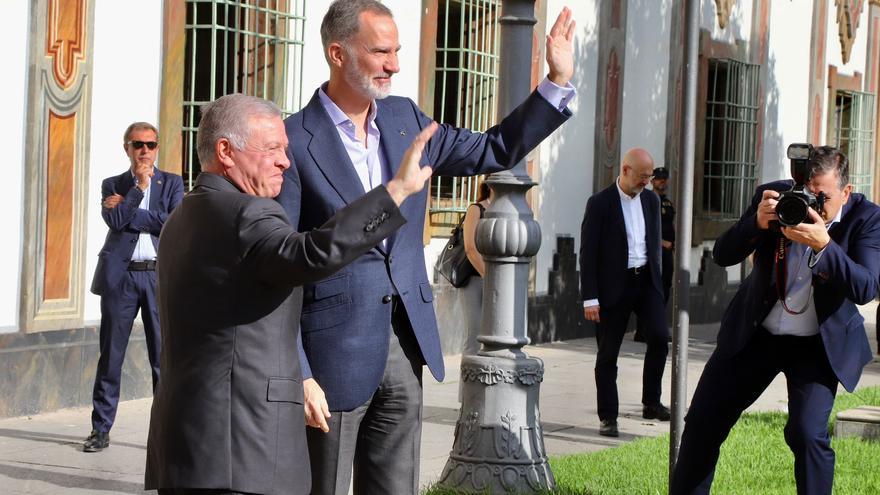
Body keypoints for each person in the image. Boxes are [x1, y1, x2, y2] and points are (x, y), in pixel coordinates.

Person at [274, 1, 576, 492]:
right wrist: (300, 372)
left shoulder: (405, 119)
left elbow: (492, 149)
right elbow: (282, 266)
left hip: (404, 346)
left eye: (397, 50)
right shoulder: (292, 141)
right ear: (337, 53)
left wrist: (555, 84)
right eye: (380, 51)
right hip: (330, 356)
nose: (394, 64)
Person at [144, 94, 437, 495]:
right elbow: (309, 253)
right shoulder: (249, 214)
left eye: (285, 148)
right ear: (226, 151)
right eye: (272, 149)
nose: (286, 160)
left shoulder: (184, 214)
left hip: (189, 451)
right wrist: (395, 193)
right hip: (242, 453)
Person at [670, 146, 880, 495]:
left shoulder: (867, 218)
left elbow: (866, 287)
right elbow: (723, 254)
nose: (810, 204)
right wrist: (755, 223)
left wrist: (825, 246)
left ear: (846, 191)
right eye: (807, 192)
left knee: (807, 433)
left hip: (817, 343)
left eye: (822, 197)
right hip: (757, 332)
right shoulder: (777, 196)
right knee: (703, 422)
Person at [84, 122, 184, 453]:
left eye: (151, 144)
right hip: (120, 278)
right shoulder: (113, 183)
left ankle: (167, 432)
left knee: (162, 358)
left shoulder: (172, 183)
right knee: (111, 356)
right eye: (138, 144)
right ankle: (100, 429)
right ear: (127, 147)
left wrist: (129, 210)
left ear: (157, 148)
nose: (145, 150)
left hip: (158, 276)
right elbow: (113, 222)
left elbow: (173, 222)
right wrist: (138, 190)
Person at [580, 148, 671, 438]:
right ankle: (608, 417)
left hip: (646, 282)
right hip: (612, 288)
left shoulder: (652, 201)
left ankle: (651, 402)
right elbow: (588, 253)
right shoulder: (599, 203)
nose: (647, 181)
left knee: (659, 338)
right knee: (608, 355)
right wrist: (590, 297)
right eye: (643, 176)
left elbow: (654, 243)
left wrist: (658, 283)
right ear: (626, 169)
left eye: (650, 176)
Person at [457, 182, 492, 398]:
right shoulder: (476, 209)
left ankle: (485, 390)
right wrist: (490, 278)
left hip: (495, 285)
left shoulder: (505, 211)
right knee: (473, 337)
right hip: (474, 281)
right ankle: (466, 395)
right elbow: (470, 248)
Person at [653, 167, 675, 302]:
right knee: (654, 287)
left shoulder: (667, 203)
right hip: (655, 251)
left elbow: (670, 224)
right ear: (652, 181)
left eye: (664, 179)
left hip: (667, 252)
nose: (662, 181)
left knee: (666, 284)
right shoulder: (648, 200)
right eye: (659, 179)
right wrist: (662, 242)